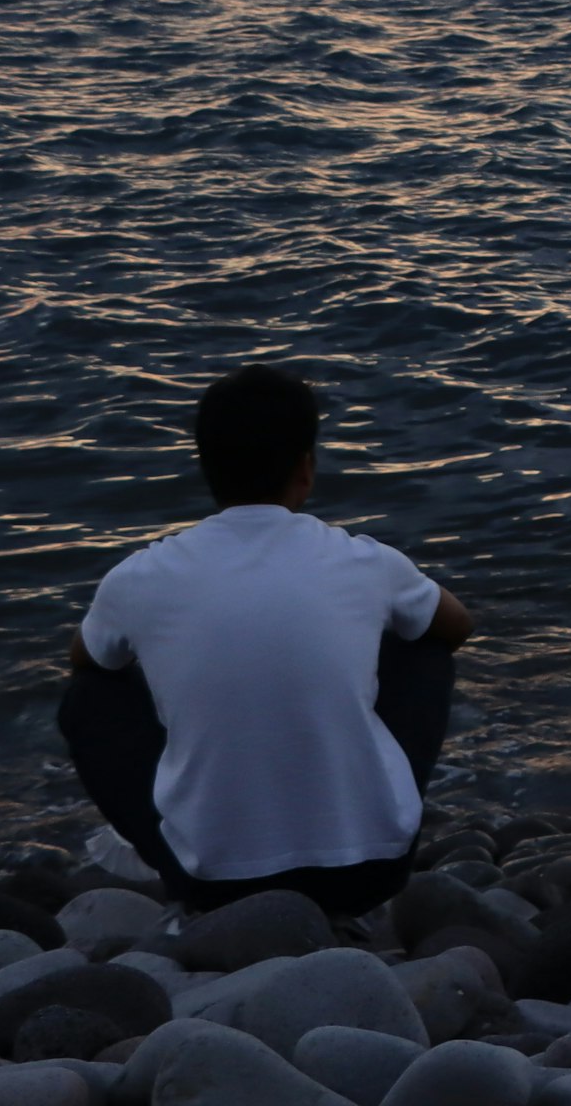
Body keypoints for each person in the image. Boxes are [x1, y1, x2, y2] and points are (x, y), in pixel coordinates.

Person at [59, 363, 476, 915]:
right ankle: (356, 813)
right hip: (370, 872)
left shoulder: (139, 577)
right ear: (305, 467)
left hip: (212, 883)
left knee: (89, 695)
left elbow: (86, 659)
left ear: (205, 467)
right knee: (423, 645)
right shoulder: (366, 560)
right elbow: (458, 626)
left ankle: (197, 833)